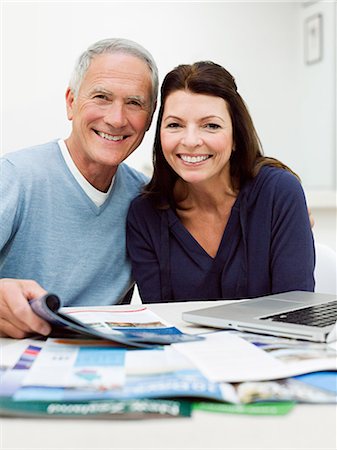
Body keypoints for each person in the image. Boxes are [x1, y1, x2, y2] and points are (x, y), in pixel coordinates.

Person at [0, 38, 158, 338]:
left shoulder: (146, 199)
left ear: (149, 118)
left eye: (134, 103)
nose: (116, 118)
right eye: (101, 97)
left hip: (103, 364)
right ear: (71, 102)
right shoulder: (15, 176)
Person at [126, 61, 315, 302]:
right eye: (175, 125)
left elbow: (296, 312)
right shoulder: (145, 215)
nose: (191, 140)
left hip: (275, 340)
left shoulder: (278, 192)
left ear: (236, 136)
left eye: (211, 126)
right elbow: (163, 320)